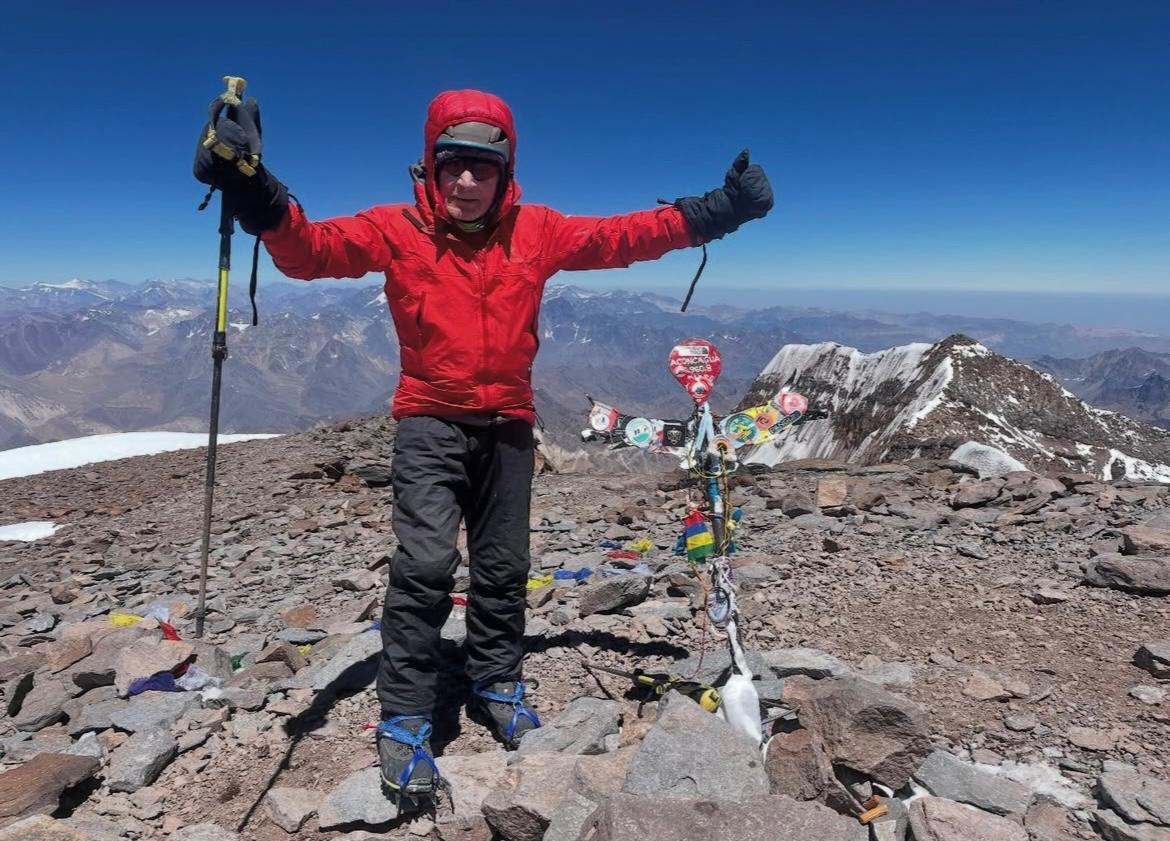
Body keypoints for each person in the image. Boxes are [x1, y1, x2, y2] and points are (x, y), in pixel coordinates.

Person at [195, 88, 772, 804]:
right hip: (429, 421)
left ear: (506, 170)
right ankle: (406, 712)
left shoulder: (538, 231)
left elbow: (624, 236)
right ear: (430, 168)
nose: (466, 181)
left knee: (504, 564)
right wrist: (258, 192)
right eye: (452, 165)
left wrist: (721, 210)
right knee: (429, 562)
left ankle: (496, 677)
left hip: (507, 425)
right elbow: (312, 252)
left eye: (482, 166)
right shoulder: (395, 228)